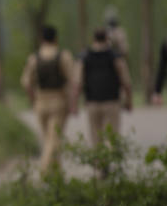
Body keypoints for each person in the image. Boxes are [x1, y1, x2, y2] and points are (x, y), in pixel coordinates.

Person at [20, 25, 77, 176]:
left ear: (41, 39)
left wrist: (33, 99)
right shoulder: (63, 56)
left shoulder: (34, 58)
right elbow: (73, 80)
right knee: (54, 141)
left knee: (49, 140)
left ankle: (56, 176)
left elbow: (26, 82)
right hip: (58, 102)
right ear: (56, 39)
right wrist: (73, 103)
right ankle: (45, 173)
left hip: (41, 102)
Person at [78, 28, 133, 148]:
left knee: (96, 139)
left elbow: (78, 82)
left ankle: (99, 165)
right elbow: (126, 81)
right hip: (112, 102)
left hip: (92, 102)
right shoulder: (115, 56)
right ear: (107, 39)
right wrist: (129, 100)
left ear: (93, 39)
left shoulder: (85, 57)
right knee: (113, 138)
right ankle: (110, 162)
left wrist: (75, 101)